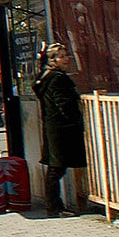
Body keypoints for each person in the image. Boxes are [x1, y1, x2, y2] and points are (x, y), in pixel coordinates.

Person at [32, 43, 86, 216]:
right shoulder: (57, 78)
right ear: (53, 60)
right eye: (61, 56)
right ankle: (54, 207)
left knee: (56, 167)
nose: (66, 59)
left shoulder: (47, 76)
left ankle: (55, 206)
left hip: (54, 126)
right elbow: (64, 104)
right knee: (57, 168)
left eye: (66, 55)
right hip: (62, 128)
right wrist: (76, 120)